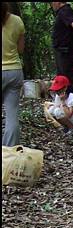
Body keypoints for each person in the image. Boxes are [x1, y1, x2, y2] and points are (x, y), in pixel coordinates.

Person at [2, 3, 25, 146]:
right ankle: (8, 155)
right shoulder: (17, 21)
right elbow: (21, 49)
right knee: (12, 116)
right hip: (14, 72)